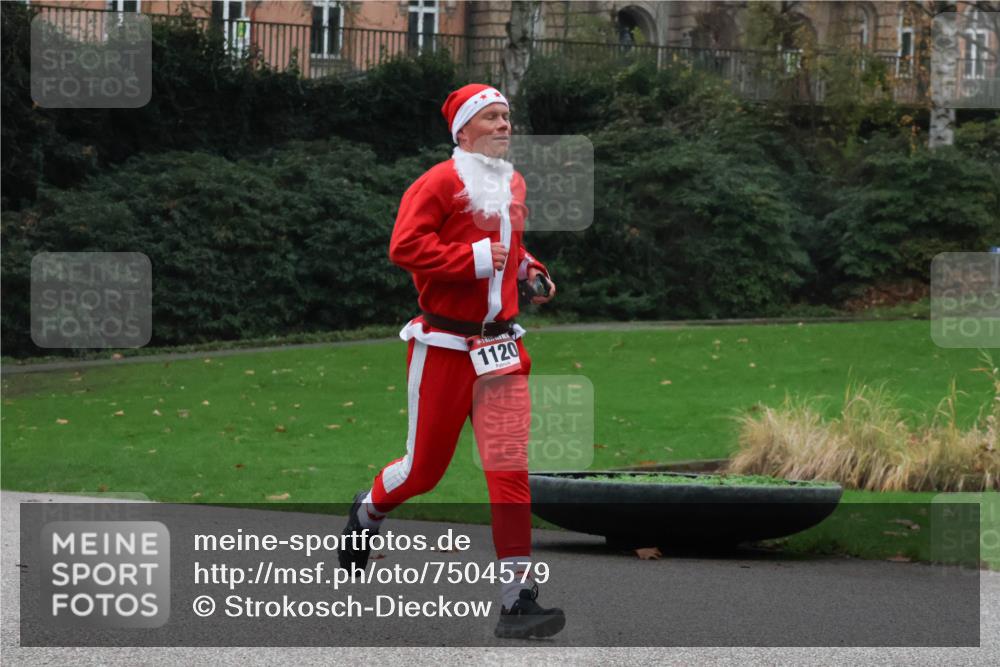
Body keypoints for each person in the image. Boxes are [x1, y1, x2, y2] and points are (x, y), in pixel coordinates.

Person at [337, 83, 565, 640]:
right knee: (424, 471)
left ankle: (516, 600)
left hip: (502, 351)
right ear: (463, 130)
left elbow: (512, 243)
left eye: (507, 116)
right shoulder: (438, 182)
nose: (504, 126)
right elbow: (404, 247)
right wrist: (477, 259)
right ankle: (368, 512)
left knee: (509, 471)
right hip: (444, 348)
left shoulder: (513, 182)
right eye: (491, 118)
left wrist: (527, 270)